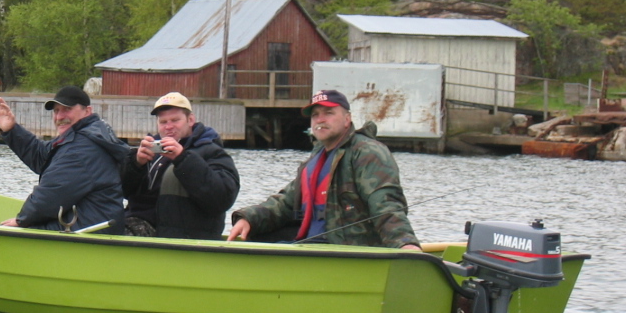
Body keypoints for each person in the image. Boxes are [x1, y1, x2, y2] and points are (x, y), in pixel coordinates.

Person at [227, 89, 422, 250]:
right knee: (253, 242)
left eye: (328, 113)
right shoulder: (316, 159)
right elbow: (284, 204)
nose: (320, 120)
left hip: (347, 254)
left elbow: (385, 203)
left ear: (347, 119)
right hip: (309, 247)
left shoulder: (366, 152)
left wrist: (404, 243)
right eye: (315, 115)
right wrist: (249, 219)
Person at [0, 86, 130, 233]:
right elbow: (42, 156)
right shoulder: (82, 136)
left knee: (25, 228)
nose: (59, 117)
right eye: (56, 111)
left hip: (91, 231)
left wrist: (22, 220)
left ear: (87, 111)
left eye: (66, 109)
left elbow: (51, 195)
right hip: (90, 222)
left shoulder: (81, 148)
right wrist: (11, 130)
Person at [122, 92, 240, 239]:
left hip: (181, 237)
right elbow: (123, 191)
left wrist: (182, 159)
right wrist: (136, 163)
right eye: (163, 122)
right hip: (134, 224)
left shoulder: (211, 152)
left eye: (175, 120)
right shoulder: (151, 149)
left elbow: (222, 199)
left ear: (190, 120)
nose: (169, 127)